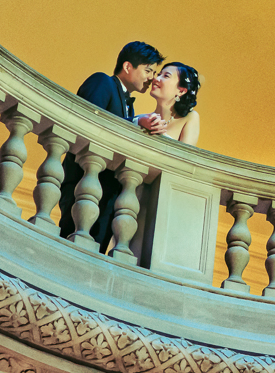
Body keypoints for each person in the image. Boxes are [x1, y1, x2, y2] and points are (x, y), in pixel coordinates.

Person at [59, 41, 163, 244]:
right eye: (148, 70)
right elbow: (89, 120)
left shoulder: (129, 107)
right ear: (127, 67)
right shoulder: (102, 81)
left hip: (106, 193)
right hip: (83, 183)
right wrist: (135, 122)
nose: (152, 78)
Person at [139, 62, 201, 147]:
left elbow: (185, 157)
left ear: (181, 91)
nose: (156, 79)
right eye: (159, 74)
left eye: (166, 76)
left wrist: (161, 135)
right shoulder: (142, 119)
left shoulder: (190, 117)